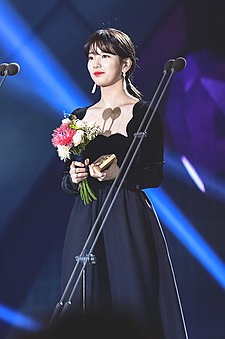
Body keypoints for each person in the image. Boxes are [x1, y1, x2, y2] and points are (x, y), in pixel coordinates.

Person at [59, 28, 188, 338]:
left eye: (105, 56)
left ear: (126, 64)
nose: (96, 63)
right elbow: (66, 179)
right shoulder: (78, 116)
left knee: (131, 297)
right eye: (92, 56)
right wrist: (74, 178)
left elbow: (154, 175)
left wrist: (120, 174)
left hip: (127, 215)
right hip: (86, 215)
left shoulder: (144, 113)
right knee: (85, 298)